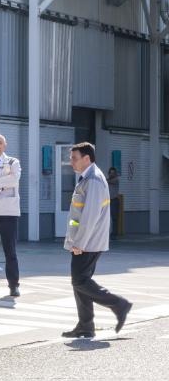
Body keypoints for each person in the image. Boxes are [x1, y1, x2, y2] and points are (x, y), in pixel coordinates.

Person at [61, 142, 132, 338]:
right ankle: (85, 325)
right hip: (87, 241)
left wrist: (79, 243)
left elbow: (89, 216)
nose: (71, 162)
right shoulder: (88, 178)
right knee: (81, 281)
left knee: (79, 281)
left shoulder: (93, 180)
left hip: (87, 243)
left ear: (87, 158)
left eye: (74, 158)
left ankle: (119, 304)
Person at [0, 134, 21, 297]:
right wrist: (3, 182)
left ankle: (13, 285)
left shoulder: (12, 162)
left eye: (0, 142)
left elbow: (15, 179)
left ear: (5, 145)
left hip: (9, 212)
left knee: (10, 251)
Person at [107, 166, 121, 237]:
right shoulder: (108, 180)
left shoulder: (116, 180)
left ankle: (115, 233)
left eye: (113, 173)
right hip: (108, 201)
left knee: (114, 217)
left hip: (114, 200)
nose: (111, 174)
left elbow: (108, 181)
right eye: (110, 173)